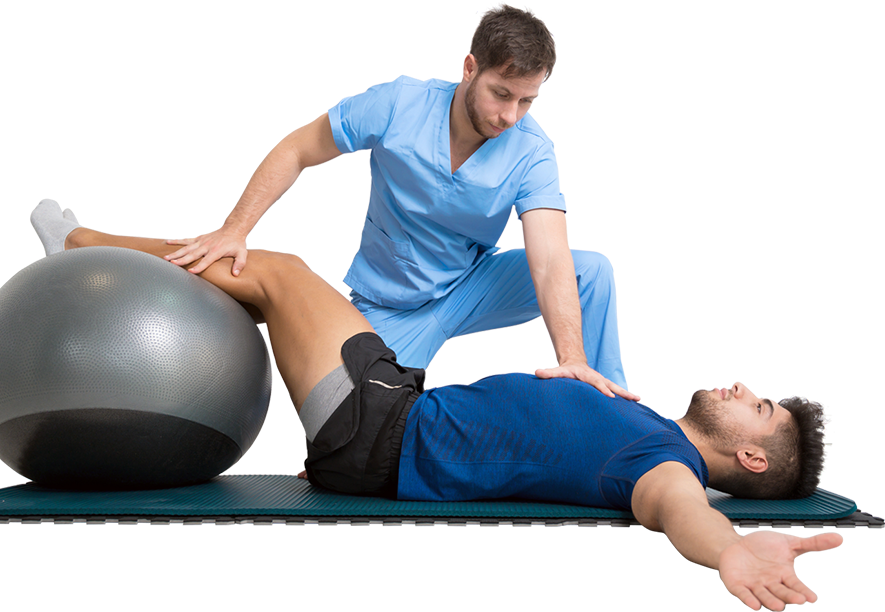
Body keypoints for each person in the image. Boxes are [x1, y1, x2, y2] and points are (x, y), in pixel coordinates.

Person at [33, 201, 839, 612]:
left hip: (382, 424)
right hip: (393, 414)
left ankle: (84, 244)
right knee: (275, 284)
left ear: (751, 457)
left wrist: (730, 552)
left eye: (759, 407)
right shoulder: (647, 426)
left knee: (276, 275)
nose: (742, 388)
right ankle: (100, 260)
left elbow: (680, 516)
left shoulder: (666, 469)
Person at [160, 5, 639, 402]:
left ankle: (615, 414)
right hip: (391, 305)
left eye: (527, 101)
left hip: (470, 285)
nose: (510, 116)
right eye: (501, 94)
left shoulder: (531, 150)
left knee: (590, 271)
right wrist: (234, 231)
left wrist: (572, 357)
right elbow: (296, 150)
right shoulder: (397, 105)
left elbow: (550, 256)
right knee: (352, 427)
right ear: (470, 68)